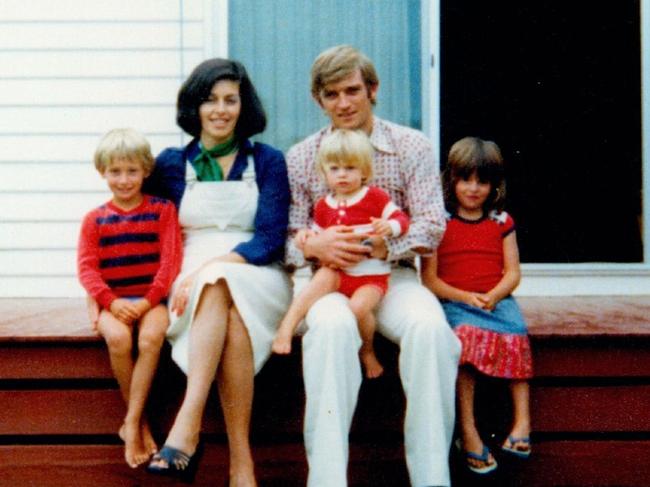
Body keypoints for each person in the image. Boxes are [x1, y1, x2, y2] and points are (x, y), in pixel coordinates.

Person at [285, 45, 461, 487]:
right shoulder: (303, 157)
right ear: (318, 100)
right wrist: (314, 245)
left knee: (431, 331)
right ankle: (326, 481)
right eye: (331, 94)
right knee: (329, 329)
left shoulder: (410, 146)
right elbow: (286, 238)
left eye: (352, 91)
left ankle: (432, 478)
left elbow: (431, 223)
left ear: (373, 90)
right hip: (329, 283)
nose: (343, 103)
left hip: (393, 275)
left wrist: (389, 245)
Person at [141, 59, 292, 484]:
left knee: (219, 279)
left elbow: (269, 238)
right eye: (210, 100)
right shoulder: (171, 164)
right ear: (195, 106)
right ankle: (242, 465)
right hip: (187, 273)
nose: (221, 110)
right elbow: (142, 224)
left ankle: (187, 426)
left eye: (231, 100)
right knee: (228, 315)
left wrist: (213, 265)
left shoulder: (267, 161)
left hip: (256, 270)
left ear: (245, 107)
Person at [422, 136, 533, 475]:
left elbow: (513, 272)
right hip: (457, 302)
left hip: (495, 300)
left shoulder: (501, 222)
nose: (473, 188)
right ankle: (468, 431)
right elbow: (430, 280)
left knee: (517, 334)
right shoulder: (439, 222)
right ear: (451, 179)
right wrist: (465, 297)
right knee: (465, 342)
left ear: (493, 185)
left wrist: (495, 295)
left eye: (482, 181)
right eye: (465, 179)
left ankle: (521, 424)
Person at [77, 128, 182, 468]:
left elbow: (170, 262)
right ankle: (140, 423)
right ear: (102, 172)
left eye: (132, 171)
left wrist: (148, 300)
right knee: (120, 338)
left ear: (146, 171)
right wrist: (109, 301)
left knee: (152, 337)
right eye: (116, 171)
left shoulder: (162, 210)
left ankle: (132, 422)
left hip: (151, 299)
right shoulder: (95, 219)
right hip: (114, 300)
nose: (124, 180)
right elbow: (87, 269)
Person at [273, 128, 410, 378]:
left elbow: (401, 219)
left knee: (358, 309)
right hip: (337, 272)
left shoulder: (375, 197)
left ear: (364, 171)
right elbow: (316, 232)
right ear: (324, 173)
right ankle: (287, 325)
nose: (342, 174)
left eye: (350, 168)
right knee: (316, 284)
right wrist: (305, 238)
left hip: (370, 277)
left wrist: (389, 227)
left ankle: (366, 351)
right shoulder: (324, 205)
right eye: (335, 169)